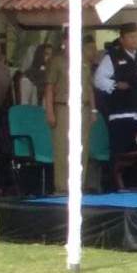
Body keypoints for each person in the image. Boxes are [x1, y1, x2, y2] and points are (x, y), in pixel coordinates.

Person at [94, 23, 137, 179]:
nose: (134, 40)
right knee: (120, 153)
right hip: (120, 114)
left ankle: (135, 186)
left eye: (136, 36)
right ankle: (116, 187)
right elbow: (98, 79)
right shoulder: (112, 57)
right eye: (130, 36)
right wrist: (115, 85)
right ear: (122, 39)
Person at [45, 36, 97, 194]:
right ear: (63, 43)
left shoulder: (84, 62)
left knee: (82, 147)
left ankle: (78, 185)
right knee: (62, 148)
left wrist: (94, 110)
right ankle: (62, 187)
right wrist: (50, 112)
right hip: (63, 108)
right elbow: (49, 88)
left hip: (84, 108)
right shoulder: (57, 61)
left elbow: (89, 87)